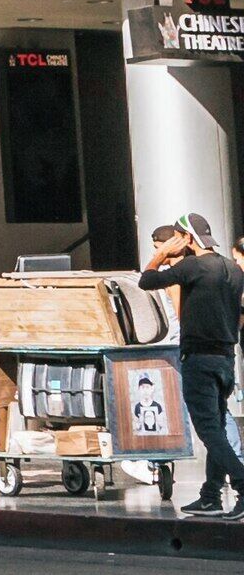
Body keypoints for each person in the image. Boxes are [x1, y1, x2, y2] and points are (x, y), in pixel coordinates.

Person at [146, 221, 244, 516]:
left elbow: (146, 280)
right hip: (226, 359)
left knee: (209, 431)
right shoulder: (233, 269)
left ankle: (241, 483)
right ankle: (211, 495)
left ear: (186, 238)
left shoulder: (192, 268)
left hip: (199, 359)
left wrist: (161, 255)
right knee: (217, 428)